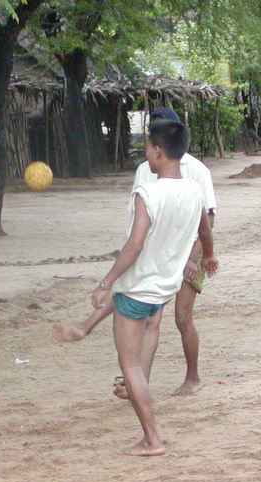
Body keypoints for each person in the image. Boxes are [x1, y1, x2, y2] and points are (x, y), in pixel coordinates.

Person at [53, 107, 217, 397]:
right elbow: (141, 223)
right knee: (150, 318)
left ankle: (189, 377)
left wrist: (196, 257)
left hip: (184, 253)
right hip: (156, 255)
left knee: (180, 318)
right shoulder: (145, 170)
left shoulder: (197, 172)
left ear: (163, 143)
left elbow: (207, 222)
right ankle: (138, 381)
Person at [91, 119, 218, 456]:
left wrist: (106, 282)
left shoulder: (147, 193)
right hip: (164, 288)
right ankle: (149, 430)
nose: (146, 152)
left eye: (148, 146)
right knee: (141, 354)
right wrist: (208, 256)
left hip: (136, 289)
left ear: (159, 152)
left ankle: (152, 439)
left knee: (129, 366)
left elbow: (134, 245)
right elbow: (205, 231)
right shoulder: (194, 189)